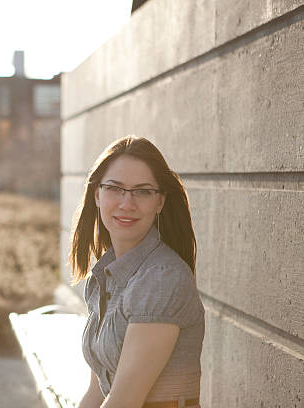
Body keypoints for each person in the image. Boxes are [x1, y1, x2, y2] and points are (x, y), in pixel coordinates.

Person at [69, 136, 205, 408]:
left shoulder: (161, 279)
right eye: (115, 189)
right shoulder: (105, 277)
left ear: (160, 202)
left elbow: (124, 401)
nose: (127, 203)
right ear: (97, 194)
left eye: (143, 191)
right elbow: (97, 392)